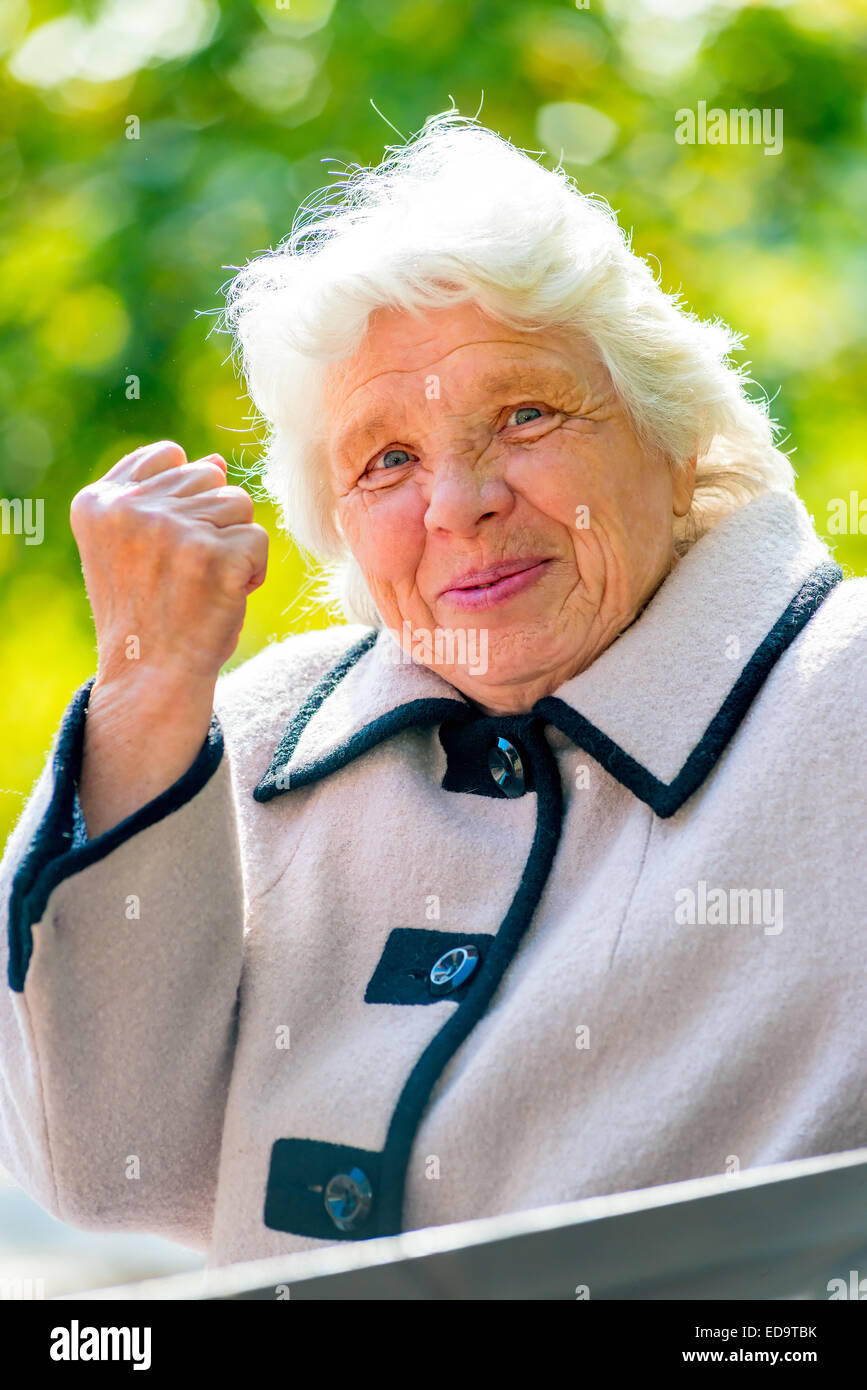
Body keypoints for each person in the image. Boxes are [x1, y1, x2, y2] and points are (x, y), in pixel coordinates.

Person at [1, 113, 864, 1270]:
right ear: (341, 532)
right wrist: (148, 689)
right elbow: (103, 1168)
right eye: (386, 459)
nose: (457, 503)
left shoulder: (839, 697)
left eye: (525, 414)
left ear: (677, 441)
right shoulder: (261, 736)